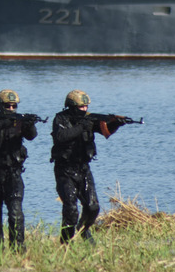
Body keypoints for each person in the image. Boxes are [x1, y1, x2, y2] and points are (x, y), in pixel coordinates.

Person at [50, 90, 129, 245]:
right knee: (71, 209)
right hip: (65, 170)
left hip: (83, 168)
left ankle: (83, 229)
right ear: (71, 106)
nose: (85, 109)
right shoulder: (61, 118)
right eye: (81, 107)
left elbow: (105, 131)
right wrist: (82, 126)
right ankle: (66, 243)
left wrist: (116, 124)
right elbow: (61, 137)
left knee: (93, 207)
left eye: (86, 107)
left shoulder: (89, 119)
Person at [0, 89, 38, 251]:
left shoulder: (20, 120)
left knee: (16, 212)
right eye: (7, 106)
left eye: (14, 106)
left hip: (13, 173)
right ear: (0, 106)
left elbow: (31, 136)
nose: (11, 109)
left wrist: (29, 125)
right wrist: (2, 124)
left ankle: (18, 248)